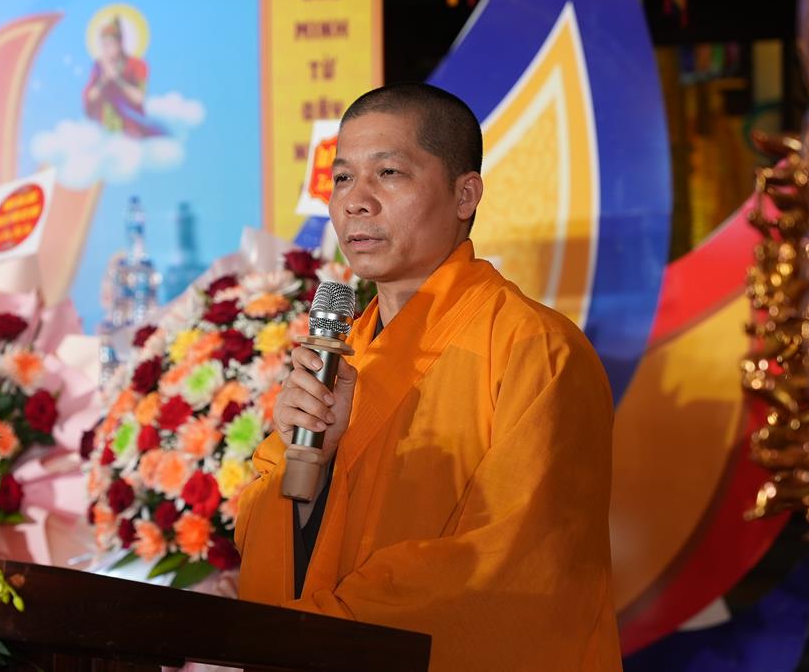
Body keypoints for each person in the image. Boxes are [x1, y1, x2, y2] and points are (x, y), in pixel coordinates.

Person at [234, 83, 623, 671]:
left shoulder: (536, 349)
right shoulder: (340, 358)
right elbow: (264, 534)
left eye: (388, 173)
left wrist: (320, 633)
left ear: (465, 195)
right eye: (342, 178)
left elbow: (515, 566)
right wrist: (317, 466)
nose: (355, 202)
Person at [82, 17, 161, 138]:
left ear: (119, 44)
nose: (105, 50)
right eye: (103, 45)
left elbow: (139, 98)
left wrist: (117, 80)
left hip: (132, 130)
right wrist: (104, 79)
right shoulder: (99, 66)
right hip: (105, 130)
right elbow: (90, 97)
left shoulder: (137, 65)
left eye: (109, 45)